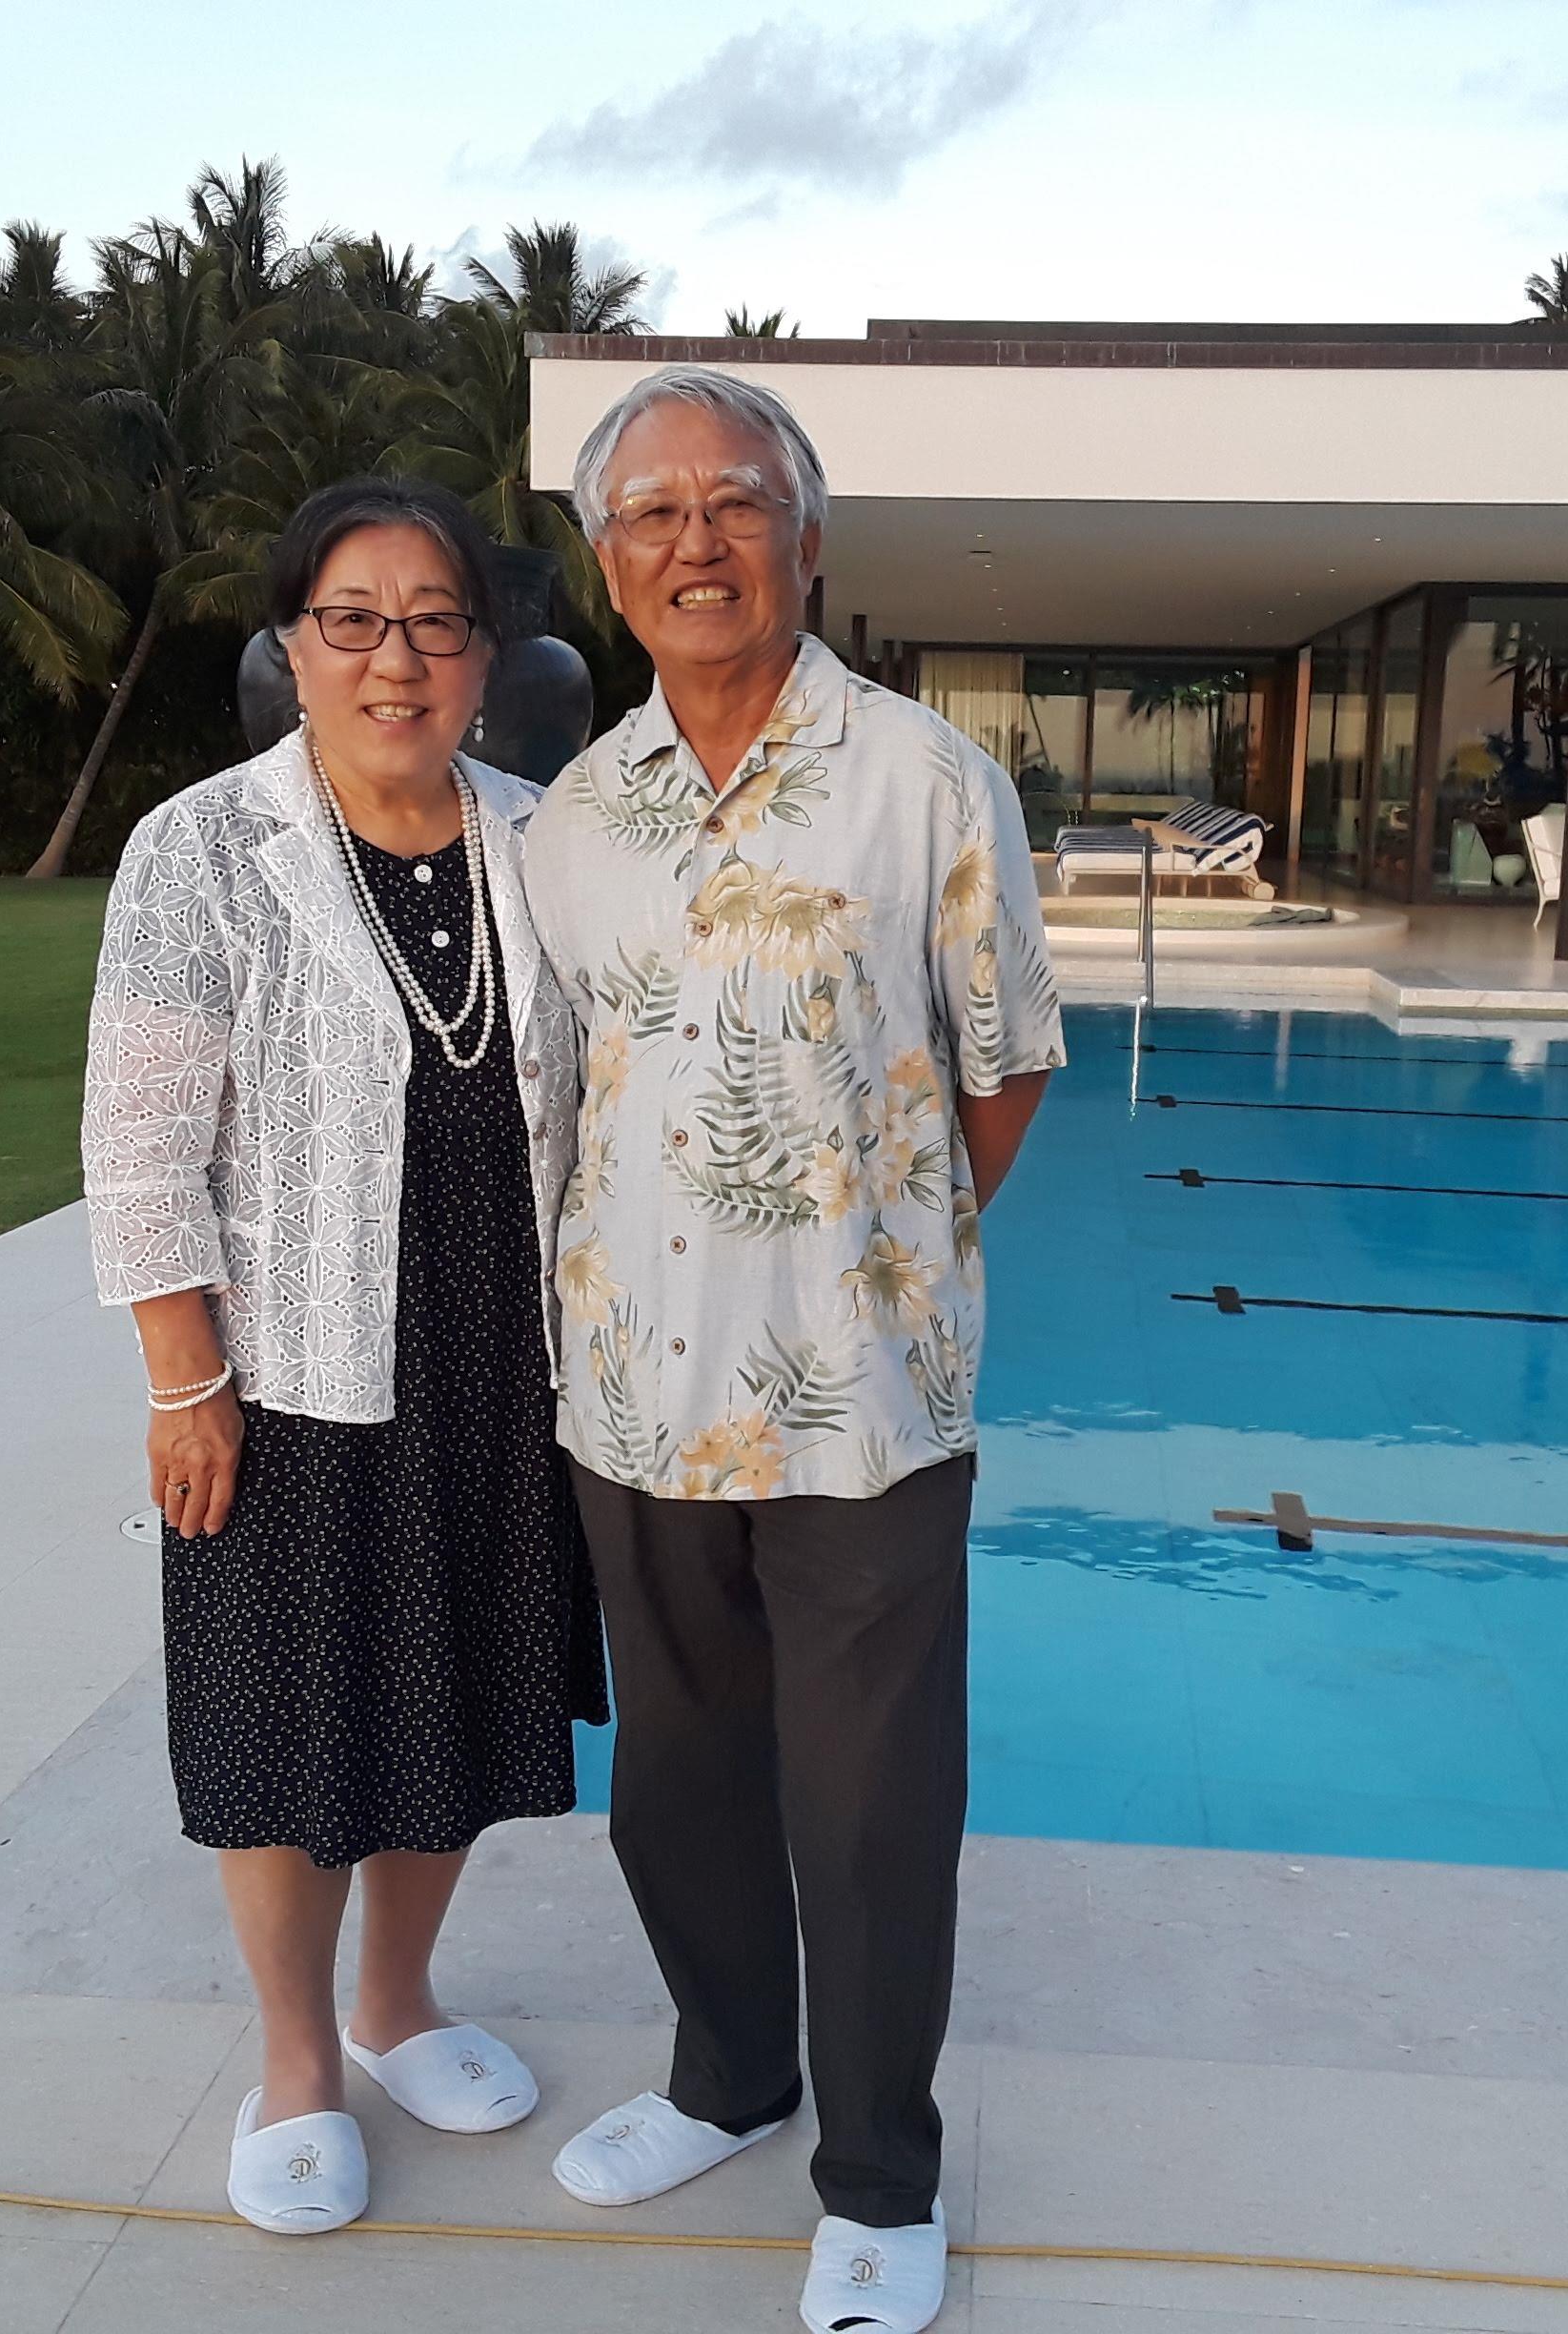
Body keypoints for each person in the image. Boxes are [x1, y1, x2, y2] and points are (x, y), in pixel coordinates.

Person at [523, 367, 1062, 2334]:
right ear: (605, 563)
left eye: (733, 502)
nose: (695, 540)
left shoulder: (923, 776)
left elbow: (999, 1072)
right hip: (630, 1398)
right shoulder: (576, 814)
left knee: (866, 1805)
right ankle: (731, 2077)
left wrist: (874, 1255)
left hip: (868, 1407)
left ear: (806, 538)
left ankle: (881, 2177)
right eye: (651, 512)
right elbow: (578, 1087)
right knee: (672, 1791)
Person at [81, 477, 602, 2239]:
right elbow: (142, 1142)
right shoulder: (202, 851)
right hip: (294, 1373)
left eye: (437, 619)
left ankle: (401, 2001)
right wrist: (182, 1377)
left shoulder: (552, 837)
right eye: (355, 620)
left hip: (500, 1366)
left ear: (488, 651)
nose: (399, 657)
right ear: (292, 649)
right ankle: (299, 2054)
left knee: (450, 1698)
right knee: (283, 1717)